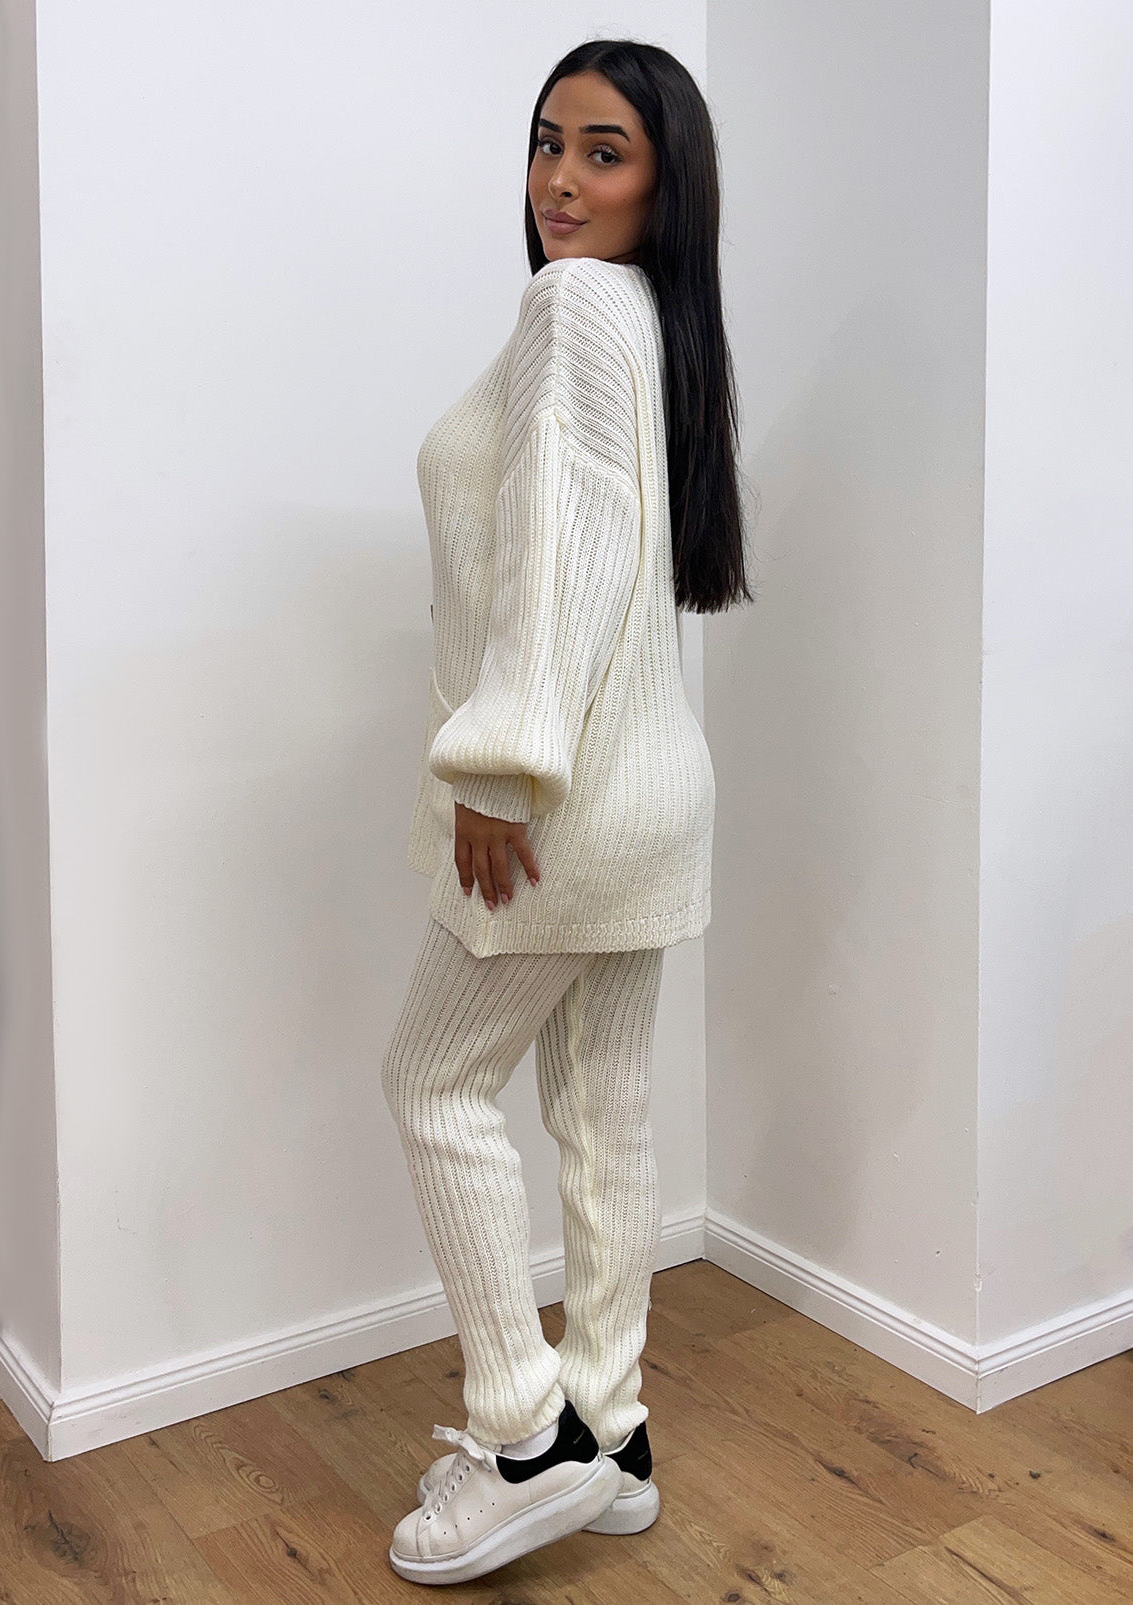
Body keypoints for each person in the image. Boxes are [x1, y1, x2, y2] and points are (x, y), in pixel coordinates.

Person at [382, 36, 754, 1587]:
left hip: (568, 793)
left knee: (431, 1081)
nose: (559, 179)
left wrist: (499, 760)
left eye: (603, 151)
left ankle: (524, 1434)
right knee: (602, 1113)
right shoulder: (656, 320)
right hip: (651, 791)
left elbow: (564, 543)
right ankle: (608, 1434)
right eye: (548, 142)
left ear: (666, 181)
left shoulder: (577, 306)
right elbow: (597, 539)